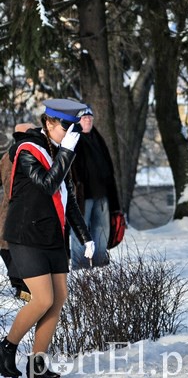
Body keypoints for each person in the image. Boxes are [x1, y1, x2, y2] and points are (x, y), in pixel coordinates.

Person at [0, 99, 94, 378]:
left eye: (72, 128)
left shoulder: (57, 150)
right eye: (66, 127)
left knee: (58, 299)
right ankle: (6, 347)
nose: (69, 133)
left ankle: (37, 365)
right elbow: (47, 184)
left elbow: (68, 200)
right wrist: (67, 152)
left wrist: (85, 236)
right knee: (42, 299)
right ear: (49, 123)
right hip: (27, 235)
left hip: (52, 235)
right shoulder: (28, 150)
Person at [69, 105, 122, 268]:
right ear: (78, 120)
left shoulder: (97, 138)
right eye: (85, 118)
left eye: (90, 118)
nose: (88, 121)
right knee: (80, 232)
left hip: (102, 195)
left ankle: (100, 264)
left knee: (102, 231)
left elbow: (108, 169)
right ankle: (79, 266)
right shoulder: (73, 139)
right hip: (82, 197)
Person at [1, 124, 35, 301]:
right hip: (24, 210)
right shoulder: (31, 154)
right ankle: (22, 285)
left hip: (7, 210)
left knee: (7, 247)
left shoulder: (7, 156)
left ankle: (19, 283)